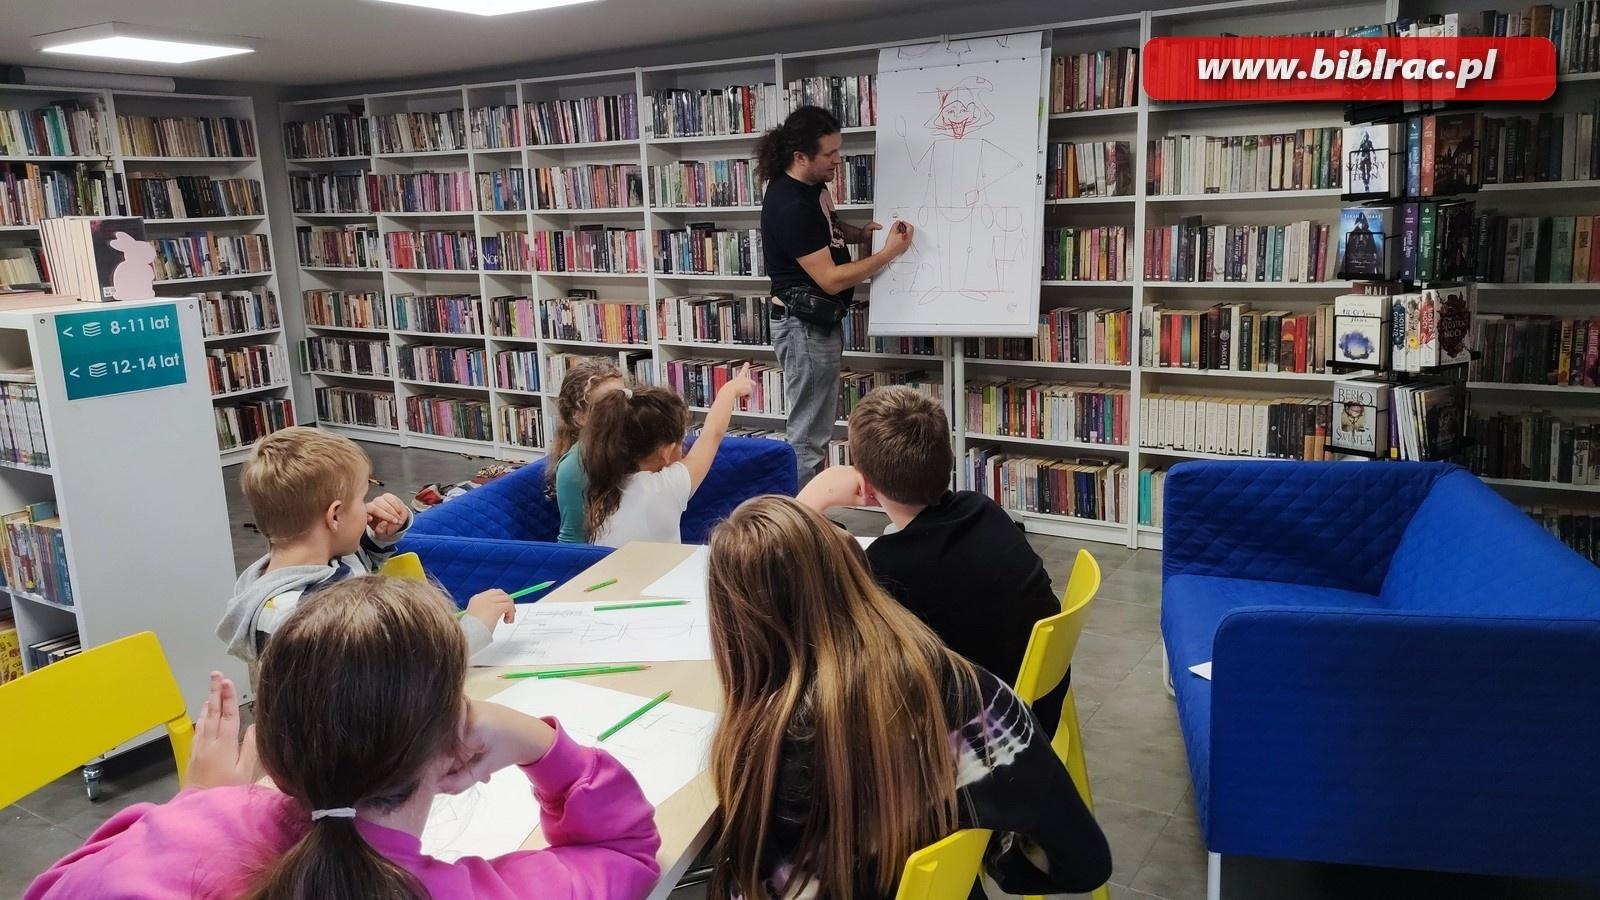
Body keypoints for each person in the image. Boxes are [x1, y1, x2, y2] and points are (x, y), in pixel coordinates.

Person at [29, 577, 662, 899]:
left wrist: (196, 809)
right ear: (451, 747)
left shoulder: (163, 839)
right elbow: (628, 853)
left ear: (272, 750)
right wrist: (537, 743)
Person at [704, 497, 1112, 900]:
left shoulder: (769, 762)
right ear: (851, 572)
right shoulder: (971, 692)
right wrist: (984, 857)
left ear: (733, 632)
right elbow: (1083, 860)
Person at [797, 386, 1066, 731]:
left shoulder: (885, 569)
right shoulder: (984, 510)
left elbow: (805, 618)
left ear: (864, 485)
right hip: (1037, 707)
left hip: (972, 737)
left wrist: (811, 500)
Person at [217, 427, 514, 677]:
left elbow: (353, 567)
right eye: (361, 499)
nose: (368, 507)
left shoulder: (304, 569)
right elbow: (403, 674)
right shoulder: (309, 617)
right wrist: (474, 628)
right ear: (334, 516)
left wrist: (380, 536)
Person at [756, 105, 915, 485]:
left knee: (814, 429)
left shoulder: (811, 186)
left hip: (816, 325)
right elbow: (830, 280)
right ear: (800, 157)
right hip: (803, 328)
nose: (837, 160)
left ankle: (805, 510)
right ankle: (798, 515)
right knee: (808, 437)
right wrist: (888, 254)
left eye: (837, 150)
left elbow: (825, 226)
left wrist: (857, 234)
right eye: (829, 153)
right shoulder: (789, 204)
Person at [580, 364, 753, 547]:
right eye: (682, 441)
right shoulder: (664, 488)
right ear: (666, 453)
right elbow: (712, 434)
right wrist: (730, 389)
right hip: (657, 567)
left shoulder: (604, 481)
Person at [547, 359, 627, 544]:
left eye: (624, 399)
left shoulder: (637, 441)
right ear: (579, 416)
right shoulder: (574, 466)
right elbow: (573, 538)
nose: (623, 410)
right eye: (609, 406)